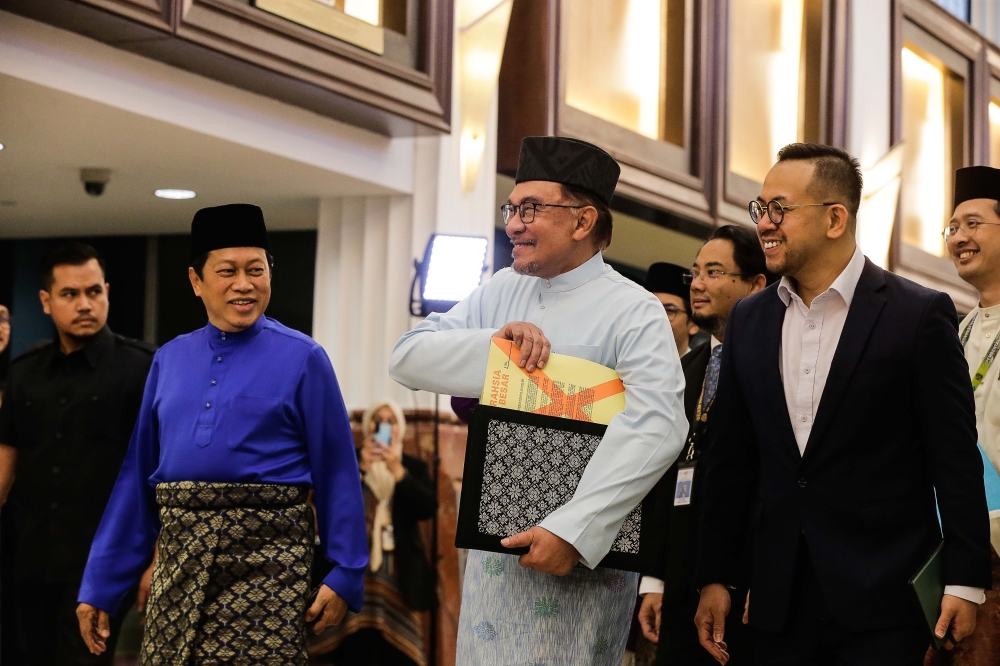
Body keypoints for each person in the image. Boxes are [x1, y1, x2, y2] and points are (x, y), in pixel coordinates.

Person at [389, 136, 687, 665]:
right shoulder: (502, 288)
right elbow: (407, 357)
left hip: (580, 555)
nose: (513, 224)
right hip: (495, 546)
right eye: (512, 207)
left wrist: (572, 531)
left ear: (582, 220)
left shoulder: (634, 310)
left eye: (531, 209)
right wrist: (494, 345)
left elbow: (659, 425)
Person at [694, 143, 992, 665]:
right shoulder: (750, 320)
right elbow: (729, 460)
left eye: (779, 209)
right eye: (760, 209)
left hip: (885, 599)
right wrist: (716, 576)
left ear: (835, 218)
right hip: (775, 599)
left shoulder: (917, 315)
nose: (764, 223)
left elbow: (954, 458)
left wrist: (965, 581)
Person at [75, 204, 368, 665]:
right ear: (196, 281)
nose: (244, 284)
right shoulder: (168, 359)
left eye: (256, 269)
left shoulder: (305, 357)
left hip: (269, 568)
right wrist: (100, 585)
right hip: (179, 565)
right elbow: (137, 480)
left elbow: (338, 472)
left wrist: (345, 572)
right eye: (227, 271)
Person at [0, 242, 156, 665]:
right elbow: (6, 462)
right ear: (46, 302)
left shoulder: (145, 367)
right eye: (70, 294)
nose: (85, 304)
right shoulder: (23, 372)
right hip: (31, 557)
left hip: (107, 560)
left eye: (94, 292)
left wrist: (157, 561)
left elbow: (167, 471)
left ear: (107, 291)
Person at [638, 225, 771, 665]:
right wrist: (654, 579)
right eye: (696, 272)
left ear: (756, 284)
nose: (697, 283)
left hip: (743, 582)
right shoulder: (686, 366)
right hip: (679, 574)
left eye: (714, 272)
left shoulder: (775, 364)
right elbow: (660, 472)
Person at [932, 165, 1000, 665]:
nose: (959, 238)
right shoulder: (950, 330)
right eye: (953, 227)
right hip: (947, 550)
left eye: (973, 224)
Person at [311, 399, 437, 666]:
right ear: (368, 425)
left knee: (395, 652)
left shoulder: (412, 466)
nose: (384, 426)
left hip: (398, 573)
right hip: (353, 569)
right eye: (378, 419)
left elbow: (427, 507)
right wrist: (359, 472)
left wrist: (397, 471)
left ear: (399, 429)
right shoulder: (351, 460)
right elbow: (329, 503)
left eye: (390, 421)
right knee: (351, 646)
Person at [645, 263, 699, 356]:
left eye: (669, 311)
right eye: (650, 307)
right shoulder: (621, 360)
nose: (655, 317)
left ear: (694, 324)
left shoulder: (701, 369)